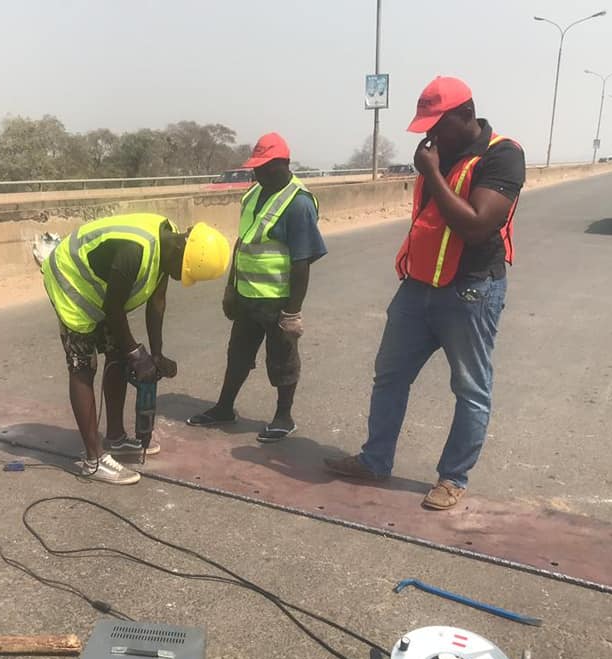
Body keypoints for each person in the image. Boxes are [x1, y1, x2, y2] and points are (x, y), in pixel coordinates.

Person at [325, 77, 526, 510]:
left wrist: (433, 174)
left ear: (467, 116)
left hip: (471, 290)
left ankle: (452, 478)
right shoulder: (439, 151)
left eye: (439, 125)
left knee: (470, 388)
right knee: (390, 375)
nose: (431, 135)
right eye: (427, 127)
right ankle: (374, 460)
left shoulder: (503, 155)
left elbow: (475, 225)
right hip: (418, 288)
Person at [43, 214, 230, 485]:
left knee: (118, 353)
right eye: (183, 271)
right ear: (181, 248)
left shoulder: (171, 240)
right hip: (71, 281)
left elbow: (157, 301)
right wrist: (135, 353)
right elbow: (113, 308)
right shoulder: (135, 250)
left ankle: (116, 438)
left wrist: (155, 354)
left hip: (103, 290)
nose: (180, 277)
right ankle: (94, 460)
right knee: (82, 365)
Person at [187, 133, 326, 442]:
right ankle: (224, 407)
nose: (256, 173)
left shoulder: (298, 204)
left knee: (282, 360)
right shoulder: (253, 195)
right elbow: (243, 244)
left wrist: (293, 311)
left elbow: (301, 261)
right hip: (247, 297)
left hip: (278, 301)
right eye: (255, 167)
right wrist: (231, 289)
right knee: (237, 355)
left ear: (282, 165)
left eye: (263, 167)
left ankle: (283, 416)